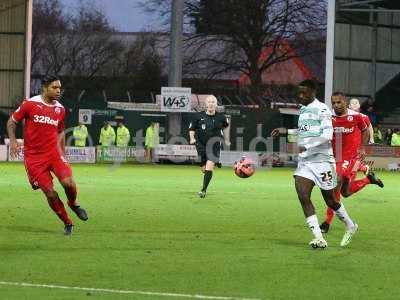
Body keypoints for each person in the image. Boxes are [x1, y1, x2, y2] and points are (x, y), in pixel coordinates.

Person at [271, 80, 358, 248]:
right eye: (299, 93)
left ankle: (350, 225)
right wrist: (286, 132)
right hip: (306, 162)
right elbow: (305, 132)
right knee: (303, 195)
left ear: (313, 93)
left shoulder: (323, 109)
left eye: (304, 93)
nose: (301, 96)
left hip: (323, 161)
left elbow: (327, 135)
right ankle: (319, 238)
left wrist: (306, 145)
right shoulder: (303, 110)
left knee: (331, 201)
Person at [6, 76, 88, 235]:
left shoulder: (60, 109)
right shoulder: (30, 104)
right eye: (54, 88)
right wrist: (14, 141)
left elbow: (60, 132)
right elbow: (11, 122)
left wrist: (62, 153)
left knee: (68, 183)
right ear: (45, 88)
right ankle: (67, 222)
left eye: (59, 88)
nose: (58, 91)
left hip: (53, 154)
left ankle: (73, 203)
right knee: (50, 193)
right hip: (34, 159)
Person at [320, 92, 384, 233]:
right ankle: (368, 179)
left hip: (352, 157)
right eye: (334, 103)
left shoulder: (360, 117)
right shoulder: (329, 117)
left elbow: (368, 130)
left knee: (334, 187)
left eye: (339, 102)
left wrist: (364, 146)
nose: (336, 105)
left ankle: (327, 222)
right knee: (346, 192)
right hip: (336, 157)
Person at [189, 95, 230, 199]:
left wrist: (226, 139)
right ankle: (208, 171)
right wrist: (192, 138)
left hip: (215, 145)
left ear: (216, 104)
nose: (211, 103)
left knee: (209, 166)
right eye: (209, 102)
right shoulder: (198, 116)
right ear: (206, 104)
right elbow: (192, 129)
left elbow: (225, 128)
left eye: (213, 102)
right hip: (201, 145)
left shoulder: (221, 117)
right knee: (204, 169)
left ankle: (203, 190)